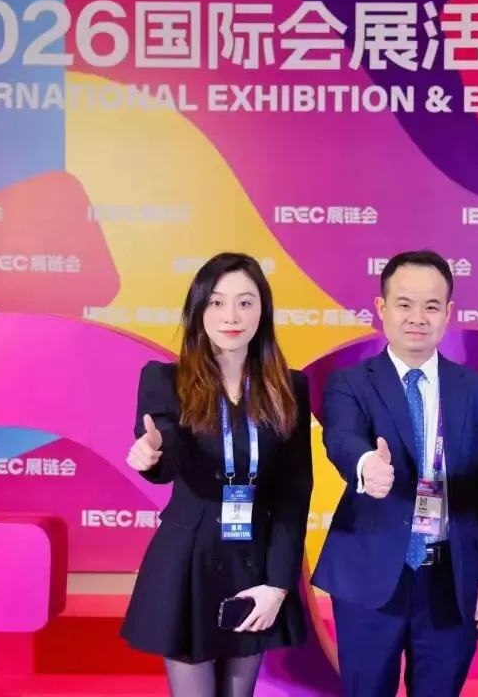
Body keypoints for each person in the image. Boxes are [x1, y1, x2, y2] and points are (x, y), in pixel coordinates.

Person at [311, 250, 478, 697]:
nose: (418, 317)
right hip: (369, 575)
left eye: (431, 306)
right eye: (404, 304)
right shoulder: (350, 382)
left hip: (449, 579)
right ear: (381, 308)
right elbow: (341, 438)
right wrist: (365, 465)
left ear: (448, 313)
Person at [120, 252, 313, 697]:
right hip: (189, 561)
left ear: (262, 311)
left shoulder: (289, 387)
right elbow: (167, 445)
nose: (231, 316)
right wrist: (153, 452)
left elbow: (294, 492)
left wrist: (279, 584)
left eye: (245, 303)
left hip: (255, 563)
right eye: (217, 302)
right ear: (199, 309)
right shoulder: (166, 380)